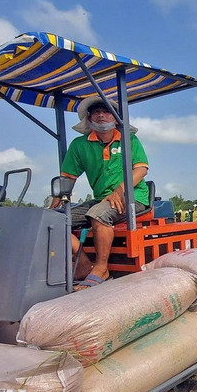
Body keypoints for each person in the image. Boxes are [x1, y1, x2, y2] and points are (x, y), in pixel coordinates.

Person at [52, 96, 149, 289]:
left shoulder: (129, 139)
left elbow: (140, 169)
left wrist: (119, 191)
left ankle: (102, 269)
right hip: (100, 199)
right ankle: (84, 265)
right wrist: (54, 203)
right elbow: (68, 177)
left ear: (115, 119)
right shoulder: (80, 145)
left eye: (107, 112)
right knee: (53, 220)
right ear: (89, 119)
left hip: (133, 197)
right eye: (97, 112)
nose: (102, 115)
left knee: (98, 214)